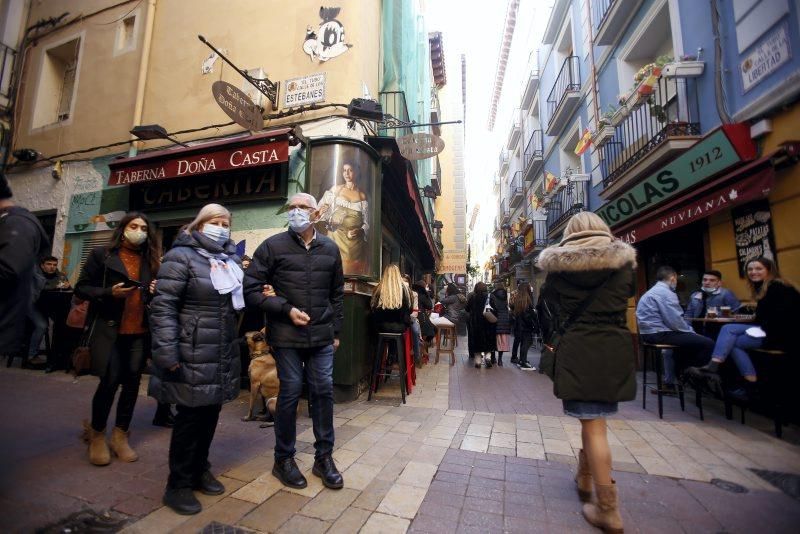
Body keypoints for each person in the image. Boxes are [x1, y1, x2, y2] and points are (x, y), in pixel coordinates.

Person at [537, 212, 638, 533]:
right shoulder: (623, 265)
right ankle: (584, 478)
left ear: (570, 233)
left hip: (577, 349)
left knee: (593, 425)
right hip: (613, 349)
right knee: (594, 421)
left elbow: (549, 305)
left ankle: (608, 510)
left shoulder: (558, 271)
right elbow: (628, 295)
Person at [244, 193, 345, 491]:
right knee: (289, 392)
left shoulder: (330, 248)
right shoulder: (272, 246)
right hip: (286, 334)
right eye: (292, 207)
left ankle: (323, 457)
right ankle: (283, 458)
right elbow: (250, 289)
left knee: (323, 391)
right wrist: (285, 309)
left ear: (315, 213)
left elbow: (337, 294)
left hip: (322, 335)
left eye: (303, 207)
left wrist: (336, 331)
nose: (297, 211)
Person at [149, 203, 243, 515]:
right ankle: (177, 484)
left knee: (209, 414)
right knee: (189, 418)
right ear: (199, 225)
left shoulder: (228, 260)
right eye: (215, 221)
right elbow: (163, 306)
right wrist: (167, 350)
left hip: (218, 351)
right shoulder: (181, 256)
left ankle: (200, 468)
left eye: (226, 222)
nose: (221, 227)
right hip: (189, 351)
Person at [74, 212, 159, 467]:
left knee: (132, 384)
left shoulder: (150, 260)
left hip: (139, 332)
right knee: (109, 382)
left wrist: (154, 290)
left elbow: (152, 296)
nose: (139, 231)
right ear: (123, 229)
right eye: (134, 226)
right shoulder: (102, 255)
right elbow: (81, 288)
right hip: (110, 330)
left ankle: (120, 435)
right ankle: (97, 434)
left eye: (144, 227)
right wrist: (108, 293)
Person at [688, 257, 800, 399]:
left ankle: (716, 369)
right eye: (750, 269)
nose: (753, 272)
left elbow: (775, 317)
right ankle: (748, 384)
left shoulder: (776, 287)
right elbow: (765, 315)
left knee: (728, 331)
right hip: (771, 329)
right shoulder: (765, 286)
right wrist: (748, 318)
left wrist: (745, 318)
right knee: (730, 335)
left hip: (784, 335)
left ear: (769, 270)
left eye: (758, 269)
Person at [636, 266, 715, 393]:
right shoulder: (665, 293)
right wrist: (691, 332)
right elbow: (675, 321)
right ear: (673, 278)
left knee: (682, 346)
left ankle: (682, 374)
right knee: (708, 343)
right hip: (658, 334)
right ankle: (695, 374)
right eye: (676, 280)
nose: (676, 283)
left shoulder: (653, 291)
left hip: (649, 333)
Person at [0, 174, 50, 362]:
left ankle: (30, 355)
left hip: (17, 313)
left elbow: (9, 270)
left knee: (41, 325)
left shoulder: (17, 224)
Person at [316, 161, 369, 274]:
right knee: (335, 269)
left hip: (355, 244)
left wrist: (360, 230)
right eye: (344, 170)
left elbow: (367, 223)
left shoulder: (362, 195)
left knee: (351, 273)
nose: (347, 173)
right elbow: (318, 213)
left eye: (350, 170)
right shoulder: (335, 189)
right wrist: (322, 211)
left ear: (356, 172)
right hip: (335, 237)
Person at [28, 256, 72, 365]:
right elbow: (37, 291)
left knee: (64, 324)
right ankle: (31, 355)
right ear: (42, 265)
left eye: (54, 265)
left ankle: (59, 356)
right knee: (42, 326)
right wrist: (56, 287)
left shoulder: (60, 275)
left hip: (51, 306)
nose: (52, 267)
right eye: (49, 264)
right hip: (34, 306)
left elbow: (68, 291)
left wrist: (69, 287)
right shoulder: (36, 275)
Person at [465, 282, 496, 368]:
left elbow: (467, 309)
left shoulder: (473, 297)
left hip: (476, 324)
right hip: (488, 323)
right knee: (488, 341)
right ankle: (488, 357)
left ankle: (478, 361)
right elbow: (496, 309)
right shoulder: (491, 297)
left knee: (477, 342)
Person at [511, 282, 537, 370]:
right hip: (525, 326)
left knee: (524, 343)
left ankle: (522, 360)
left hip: (520, 326)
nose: (531, 288)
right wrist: (532, 323)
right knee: (526, 343)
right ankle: (523, 362)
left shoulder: (519, 298)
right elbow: (527, 315)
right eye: (530, 286)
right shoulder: (526, 299)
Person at [412, 279, 436, 362]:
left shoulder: (413, 292)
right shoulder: (422, 295)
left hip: (412, 318)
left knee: (429, 327)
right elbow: (429, 306)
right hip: (418, 318)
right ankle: (421, 348)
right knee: (431, 329)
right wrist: (427, 294)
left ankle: (421, 347)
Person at [401, 273, 422, 366]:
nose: (404, 283)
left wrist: (408, 317)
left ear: (409, 283)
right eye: (402, 281)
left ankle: (417, 356)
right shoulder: (397, 293)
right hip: (400, 319)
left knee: (415, 330)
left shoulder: (414, 294)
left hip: (411, 318)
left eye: (406, 281)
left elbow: (415, 312)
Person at [490, 283, 512, 366]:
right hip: (504, 320)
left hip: (495, 318)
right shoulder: (506, 295)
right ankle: (500, 360)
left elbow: (491, 308)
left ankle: (493, 358)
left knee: (494, 340)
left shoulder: (492, 295)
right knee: (502, 341)